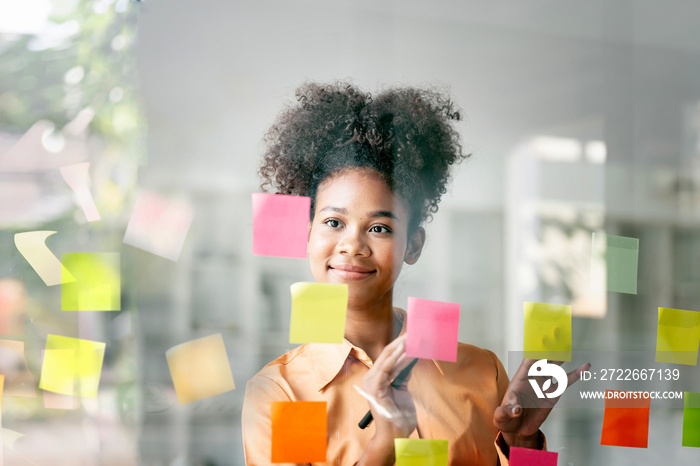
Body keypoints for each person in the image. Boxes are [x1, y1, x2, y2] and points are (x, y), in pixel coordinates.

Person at [241, 82, 588, 465]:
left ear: (413, 245)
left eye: (379, 228)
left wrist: (522, 443)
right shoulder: (283, 392)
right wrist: (385, 442)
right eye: (333, 222)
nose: (352, 245)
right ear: (307, 236)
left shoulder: (481, 372)